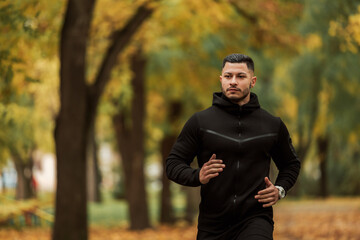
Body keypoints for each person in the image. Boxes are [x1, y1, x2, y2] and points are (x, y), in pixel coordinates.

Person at [166, 53, 301, 240]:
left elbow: (291, 165)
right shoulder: (200, 122)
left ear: (252, 81)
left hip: (256, 218)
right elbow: (173, 164)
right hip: (212, 224)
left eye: (240, 76)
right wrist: (197, 175)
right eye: (228, 76)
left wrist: (280, 189)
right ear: (221, 80)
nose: (233, 82)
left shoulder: (272, 125)